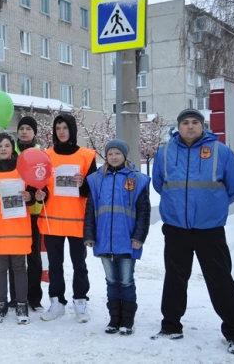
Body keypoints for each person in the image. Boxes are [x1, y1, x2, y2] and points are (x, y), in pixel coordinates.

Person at [151, 108, 234, 356]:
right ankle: (171, 325)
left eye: (195, 122)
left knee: (220, 280)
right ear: (178, 127)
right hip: (176, 229)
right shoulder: (165, 152)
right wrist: (177, 208)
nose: (190, 126)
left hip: (210, 230)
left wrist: (212, 208)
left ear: (202, 126)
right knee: (174, 278)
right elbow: (160, 185)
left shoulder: (221, 151)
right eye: (185, 123)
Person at [84, 139, 151, 335]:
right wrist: (89, 235)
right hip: (104, 240)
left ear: (124, 155)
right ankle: (114, 320)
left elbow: (144, 212)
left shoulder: (136, 179)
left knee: (126, 281)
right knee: (111, 281)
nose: (114, 157)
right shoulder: (97, 179)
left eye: (118, 153)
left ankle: (127, 321)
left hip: (128, 241)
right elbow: (90, 210)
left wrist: (139, 237)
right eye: (110, 153)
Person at [38, 113, 97, 322]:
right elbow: (40, 185)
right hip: (51, 219)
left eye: (65, 127)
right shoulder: (45, 155)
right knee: (55, 264)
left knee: (79, 264)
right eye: (58, 128)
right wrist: (40, 193)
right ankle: (56, 302)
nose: (61, 132)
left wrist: (83, 184)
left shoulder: (87, 156)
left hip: (76, 220)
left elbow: (93, 190)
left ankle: (80, 302)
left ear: (72, 129)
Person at [0, 133, 39, 324]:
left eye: (7, 145)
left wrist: (29, 197)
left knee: (20, 267)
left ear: (12, 148)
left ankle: (22, 304)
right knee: (0, 267)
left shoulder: (23, 170)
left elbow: (33, 191)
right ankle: (0, 304)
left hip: (19, 226)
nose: (3, 149)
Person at [7, 116, 44, 312]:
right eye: (21, 128)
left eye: (28, 128)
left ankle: (35, 297)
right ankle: (15, 296)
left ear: (34, 132)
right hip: (14, 211)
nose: (24, 131)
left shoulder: (40, 153)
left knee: (34, 257)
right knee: (15, 257)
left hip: (33, 213)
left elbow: (42, 178)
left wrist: (32, 196)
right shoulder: (11, 152)